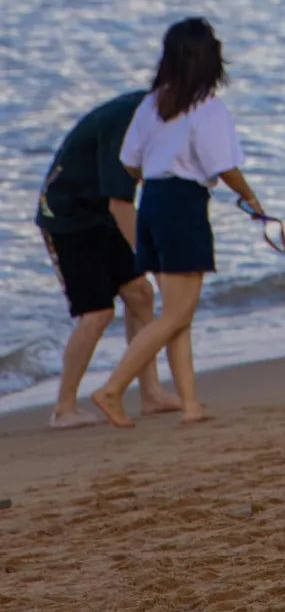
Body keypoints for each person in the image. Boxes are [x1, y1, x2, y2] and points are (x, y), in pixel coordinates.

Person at [91, 18, 265, 428]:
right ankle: (112, 388)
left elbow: (129, 162)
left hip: (151, 200)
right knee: (176, 314)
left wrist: (159, 182)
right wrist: (251, 197)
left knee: (177, 312)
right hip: (183, 204)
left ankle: (190, 404)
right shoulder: (209, 108)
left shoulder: (152, 104)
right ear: (210, 59)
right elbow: (224, 166)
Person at [36, 92, 180, 428]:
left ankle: (151, 394)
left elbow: (140, 176)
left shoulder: (159, 113)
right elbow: (121, 201)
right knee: (97, 313)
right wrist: (152, 258)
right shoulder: (129, 118)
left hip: (100, 211)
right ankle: (63, 408)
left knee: (139, 294)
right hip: (66, 215)